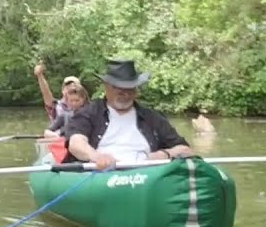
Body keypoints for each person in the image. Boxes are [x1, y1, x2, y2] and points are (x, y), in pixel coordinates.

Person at [64, 60, 195, 170]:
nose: (125, 94)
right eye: (118, 88)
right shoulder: (88, 113)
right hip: (100, 176)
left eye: (130, 88)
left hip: (146, 176)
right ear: (106, 87)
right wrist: (97, 157)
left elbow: (186, 150)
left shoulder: (152, 117)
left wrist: (165, 153)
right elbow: (76, 143)